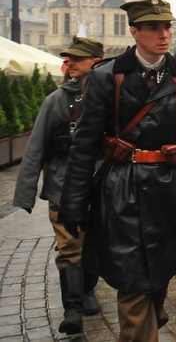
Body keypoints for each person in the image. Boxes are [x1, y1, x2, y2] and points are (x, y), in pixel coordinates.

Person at [59, 0, 176, 342]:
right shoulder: (107, 77)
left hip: (170, 191)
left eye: (167, 27)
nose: (164, 34)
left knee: (157, 281)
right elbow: (84, 145)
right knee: (132, 284)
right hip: (122, 192)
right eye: (153, 28)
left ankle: (150, 315)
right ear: (134, 31)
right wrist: (73, 202)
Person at [13, 36, 105, 335]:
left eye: (78, 57)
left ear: (96, 61)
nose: (71, 62)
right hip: (63, 187)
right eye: (69, 58)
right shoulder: (56, 100)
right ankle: (73, 311)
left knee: (94, 245)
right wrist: (24, 195)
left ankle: (87, 290)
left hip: (102, 183)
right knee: (70, 249)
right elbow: (36, 147)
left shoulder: (111, 96)